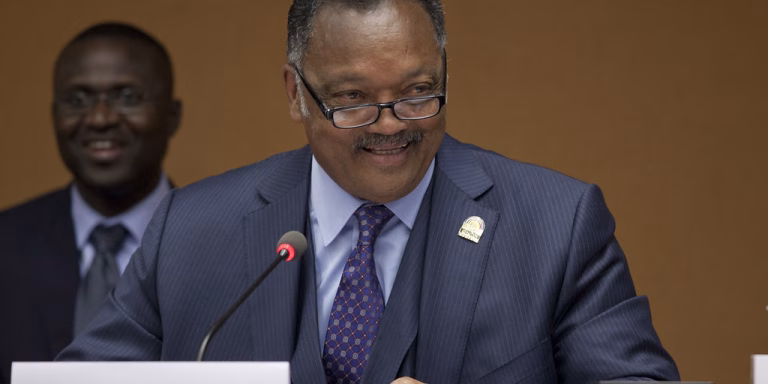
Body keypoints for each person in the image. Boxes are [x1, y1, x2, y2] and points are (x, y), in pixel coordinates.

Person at [58, 1, 680, 383]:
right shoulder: (194, 228)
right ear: (295, 92)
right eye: (352, 99)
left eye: (417, 91)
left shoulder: (555, 224)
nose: (390, 124)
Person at [0, 22, 181, 384]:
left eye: (127, 96)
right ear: (54, 116)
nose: (100, 118)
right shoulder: (5, 244)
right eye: (77, 100)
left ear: (172, 117)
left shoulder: (227, 246)